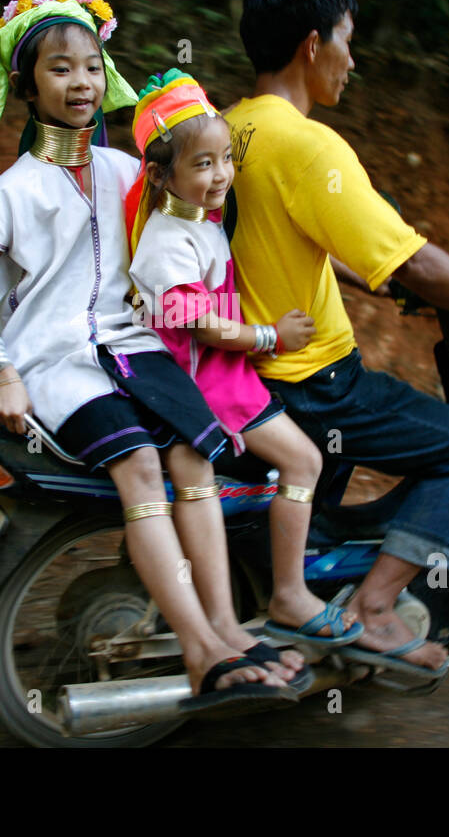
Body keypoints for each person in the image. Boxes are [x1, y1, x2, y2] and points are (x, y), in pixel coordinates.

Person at [0, 0, 296, 715]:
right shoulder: (6, 192)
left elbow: (198, 214)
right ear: (26, 84)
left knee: (196, 454)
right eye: (58, 68)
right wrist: (1, 371)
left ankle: (230, 630)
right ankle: (201, 653)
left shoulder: (131, 172)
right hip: (53, 362)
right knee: (141, 465)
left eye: (87, 67)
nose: (79, 83)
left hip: (135, 349)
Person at [225, 0, 449, 678]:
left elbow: (291, 239)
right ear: (313, 45)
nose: (353, 61)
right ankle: (375, 612)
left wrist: (379, 284)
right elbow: (410, 258)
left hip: (244, 379)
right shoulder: (309, 147)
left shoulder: (229, 128)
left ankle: (304, 599)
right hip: (312, 385)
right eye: (348, 43)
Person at [123, 70, 365, 686]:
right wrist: (270, 338)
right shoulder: (167, 241)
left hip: (224, 374)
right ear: (161, 175)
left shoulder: (200, 221)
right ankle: (290, 595)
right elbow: (200, 326)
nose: (222, 175)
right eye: (203, 164)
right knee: (305, 463)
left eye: (227, 158)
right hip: (211, 384)